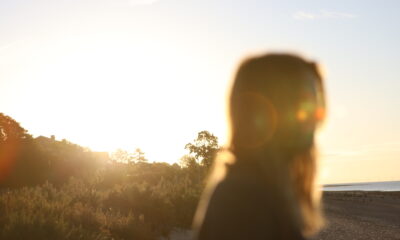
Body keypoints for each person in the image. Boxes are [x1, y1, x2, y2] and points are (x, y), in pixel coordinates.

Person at [192, 53, 326, 240]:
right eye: (306, 103)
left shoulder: (260, 189)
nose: (318, 116)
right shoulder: (244, 199)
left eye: (320, 104)